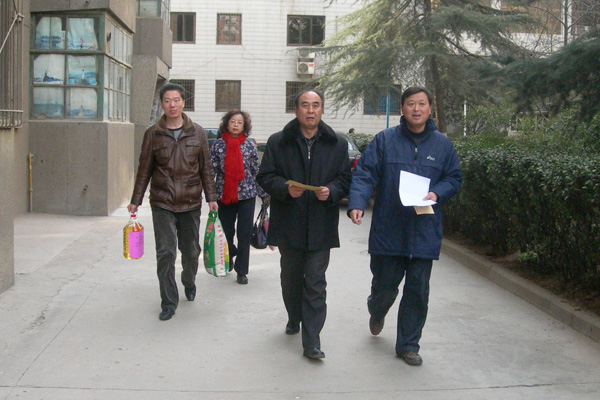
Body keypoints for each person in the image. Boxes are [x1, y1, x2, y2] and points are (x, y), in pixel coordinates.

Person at [348, 86, 461, 366]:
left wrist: (437, 193)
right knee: (385, 286)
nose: (416, 109)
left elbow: (453, 178)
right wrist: (357, 202)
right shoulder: (385, 140)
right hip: (389, 228)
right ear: (402, 108)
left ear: (430, 109)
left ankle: (409, 345)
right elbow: (365, 173)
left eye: (422, 103)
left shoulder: (442, 145)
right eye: (411, 103)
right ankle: (377, 309)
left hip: (425, 230)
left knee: (417, 291)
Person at [257, 89, 351, 359]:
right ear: (296, 110)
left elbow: (345, 179)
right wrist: (285, 189)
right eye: (305, 105)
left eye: (316, 105)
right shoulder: (278, 141)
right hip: (289, 222)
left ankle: (312, 341)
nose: (311, 110)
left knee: (316, 282)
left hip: (322, 224)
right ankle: (294, 316)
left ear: (322, 109)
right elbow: (265, 177)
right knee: (291, 278)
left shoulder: (337, 143)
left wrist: (332, 191)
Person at [128, 83, 218, 321]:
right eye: (167, 101)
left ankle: (188, 280)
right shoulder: (153, 134)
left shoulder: (197, 133)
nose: (172, 105)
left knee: (191, 251)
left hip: (190, 201)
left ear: (183, 103)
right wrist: (136, 199)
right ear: (161, 104)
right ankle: (168, 301)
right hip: (162, 202)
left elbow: (206, 169)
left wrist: (211, 197)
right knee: (165, 253)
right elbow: (144, 169)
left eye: (176, 100)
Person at [210, 110, 267, 285]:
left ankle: (242, 271)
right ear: (226, 124)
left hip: (246, 195)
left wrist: (264, 194)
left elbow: (256, 172)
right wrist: (209, 195)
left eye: (239, 122)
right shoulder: (218, 146)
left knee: (244, 233)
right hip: (224, 196)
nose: (235, 125)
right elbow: (211, 171)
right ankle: (229, 256)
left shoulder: (249, 146)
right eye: (232, 121)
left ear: (244, 126)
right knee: (226, 232)